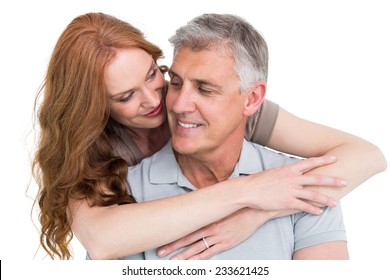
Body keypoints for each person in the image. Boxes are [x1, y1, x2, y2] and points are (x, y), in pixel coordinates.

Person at [32, 12, 386, 260]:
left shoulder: (230, 107)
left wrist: (255, 213)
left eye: (156, 75)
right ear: (95, 106)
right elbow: (102, 239)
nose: (160, 101)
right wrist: (246, 192)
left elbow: (367, 156)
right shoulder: (93, 152)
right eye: (126, 97)